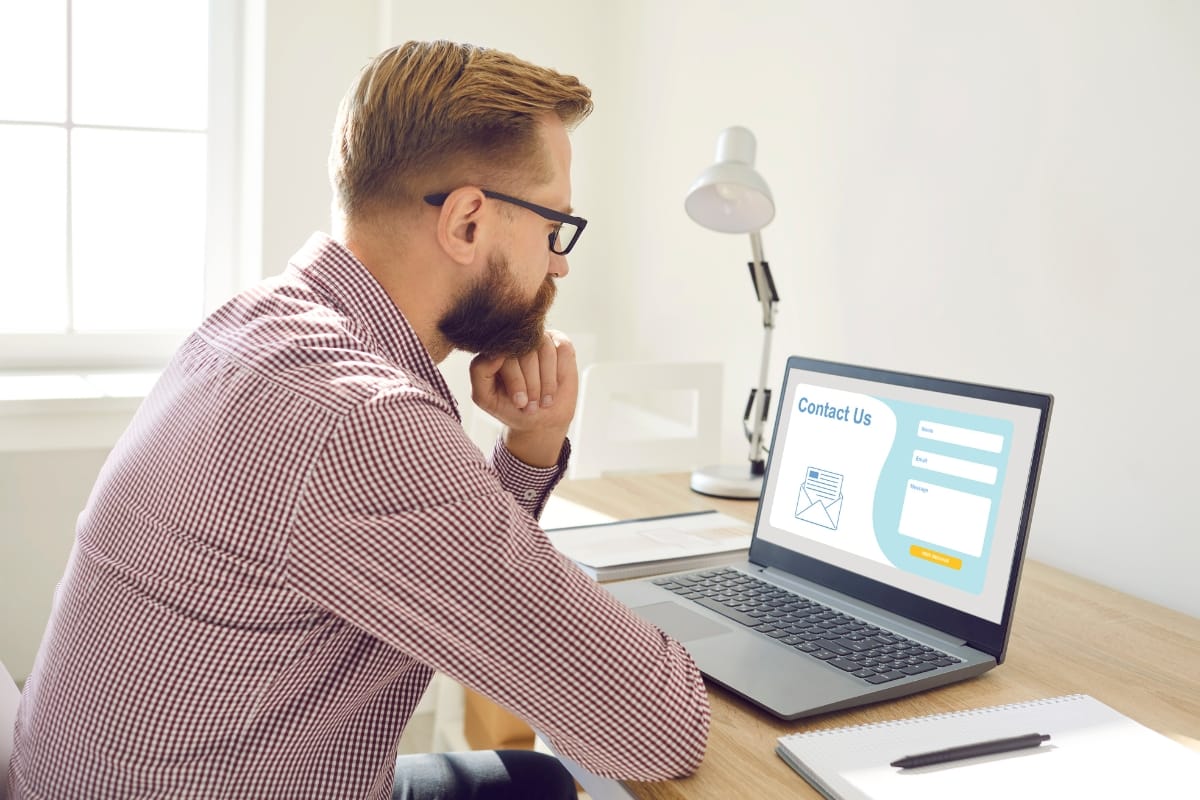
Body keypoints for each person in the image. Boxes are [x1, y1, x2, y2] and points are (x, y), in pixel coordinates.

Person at [7, 41, 710, 799]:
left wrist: (531, 444)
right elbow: (655, 724)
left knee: (531, 781)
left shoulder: (254, 326)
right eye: (554, 230)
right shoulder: (359, 421)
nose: (560, 266)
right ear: (469, 223)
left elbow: (456, 585)